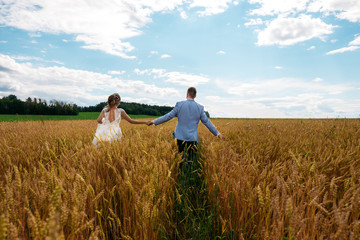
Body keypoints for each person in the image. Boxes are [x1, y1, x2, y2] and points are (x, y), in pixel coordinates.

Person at [149, 87, 225, 158]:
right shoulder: (200, 108)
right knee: (191, 161)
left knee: (181, 160)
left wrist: (154, 122)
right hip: (193, 139)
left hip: (180, 137)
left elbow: (168, 116)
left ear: (187, 94)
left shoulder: (179, 105)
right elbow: (207, 122)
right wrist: (217, 133)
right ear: (195, 96)